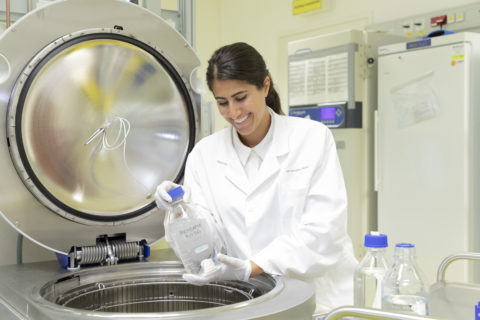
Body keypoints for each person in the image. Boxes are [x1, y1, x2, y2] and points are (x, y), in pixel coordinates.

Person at [155, 42, 358, 313]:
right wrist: (180, 213)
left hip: (319, 298)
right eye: (222, 103)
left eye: (241, 98)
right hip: (250, 301)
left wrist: (253, 266)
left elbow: (325, 232)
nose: (234, 113)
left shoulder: (312, 138)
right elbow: (207, 245)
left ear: (264, 86)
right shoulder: (204, 155)